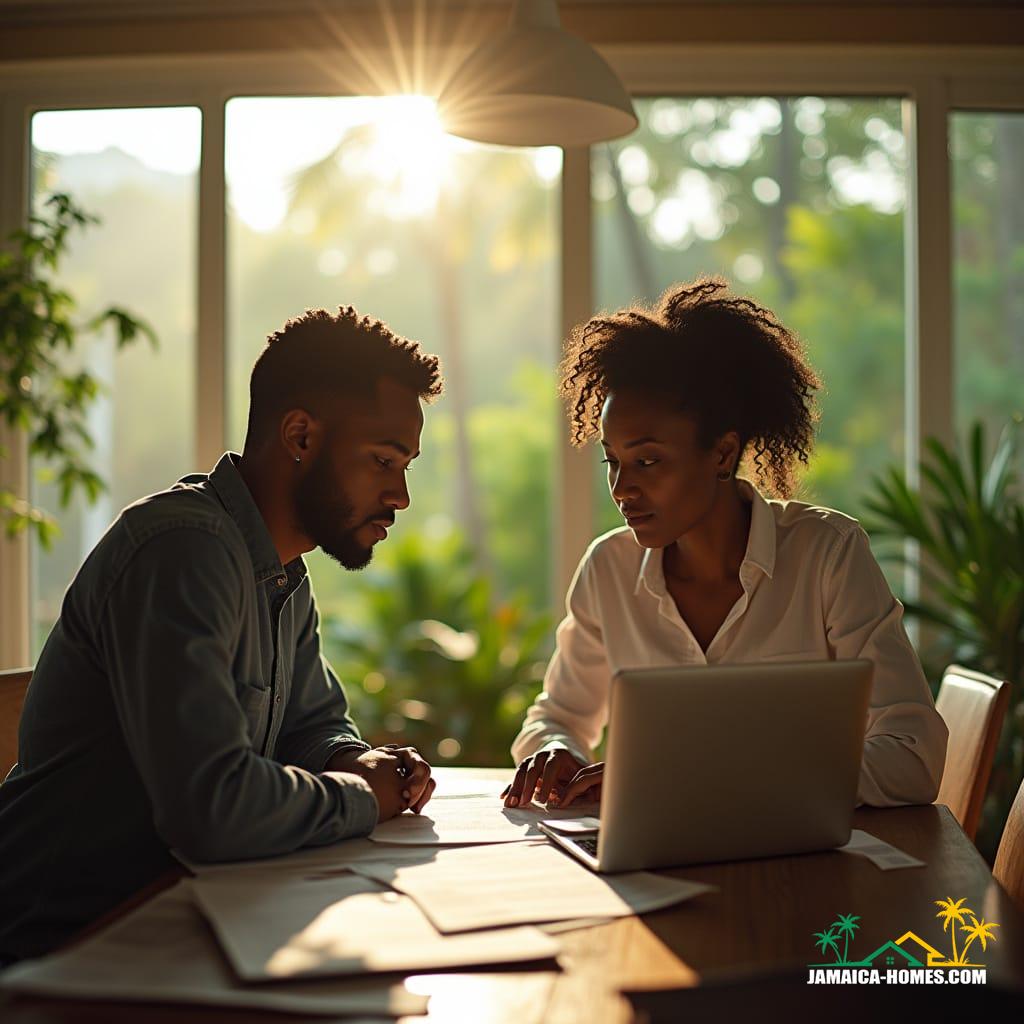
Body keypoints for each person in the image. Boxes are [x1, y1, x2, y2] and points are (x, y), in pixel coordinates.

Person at [0, 306, 443, 962]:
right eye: (383, 460)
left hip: (179, 921)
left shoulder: (285, 573)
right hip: (62, 945)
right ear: (299, 435)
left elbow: (311, 726)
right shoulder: (183, 550)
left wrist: (356, 759)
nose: (400, 495)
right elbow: (212, 809)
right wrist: (361, 797)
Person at [504, 278, 947, 812]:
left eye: (647, 461)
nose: (622, 489)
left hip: (801, 877)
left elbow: (912, 756)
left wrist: (732, 782)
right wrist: (555, 749)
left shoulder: (826, 555)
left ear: (721, 453)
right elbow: (556, 716)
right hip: (652, 865)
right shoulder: (607, 569)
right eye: (613, 462)